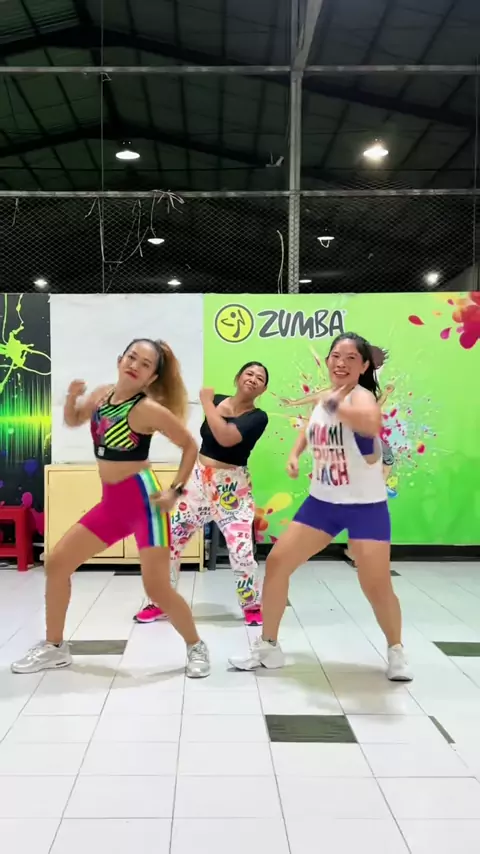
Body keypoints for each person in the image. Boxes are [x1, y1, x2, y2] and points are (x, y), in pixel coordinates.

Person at [12, 338, 210, 679]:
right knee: (57, 563)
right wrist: (72, 397)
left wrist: (175, 490)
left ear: (151, 378)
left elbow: (190, 446)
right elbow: (74, 419)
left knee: (157, 588)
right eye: (132, 357)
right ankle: (55, 647)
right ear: (120, 360)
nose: (135, 365)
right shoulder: (103, 394)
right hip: (112, 504)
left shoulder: (147, 409)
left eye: (145, 364)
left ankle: (196, 645)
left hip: (145, 505)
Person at [229, 333, 412, 682]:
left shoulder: (361, 398)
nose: (341, 363)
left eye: (350, 358)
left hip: (365, 506)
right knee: (278, 564)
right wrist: (295, 454)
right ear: (328, 360)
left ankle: (396, 650)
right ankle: (268, 647)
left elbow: (368, 423)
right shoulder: (324, 398)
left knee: (375, 584)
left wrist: (332, 403)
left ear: (364, 366)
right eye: (335, 356)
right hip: (322, 503)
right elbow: (311, 427)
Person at [134, 361, 269, 627]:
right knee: (171, 540)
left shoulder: (257, 417)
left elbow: (225, 436)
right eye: (249, 373)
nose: (253, 379)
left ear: (263, 389)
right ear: (238, 377)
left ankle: (251, 605)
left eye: (260, 378)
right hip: (198, 482)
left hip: (232, 489)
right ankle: (159, 602)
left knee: (242, 551)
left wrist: (206, 402)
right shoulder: (217, 401)